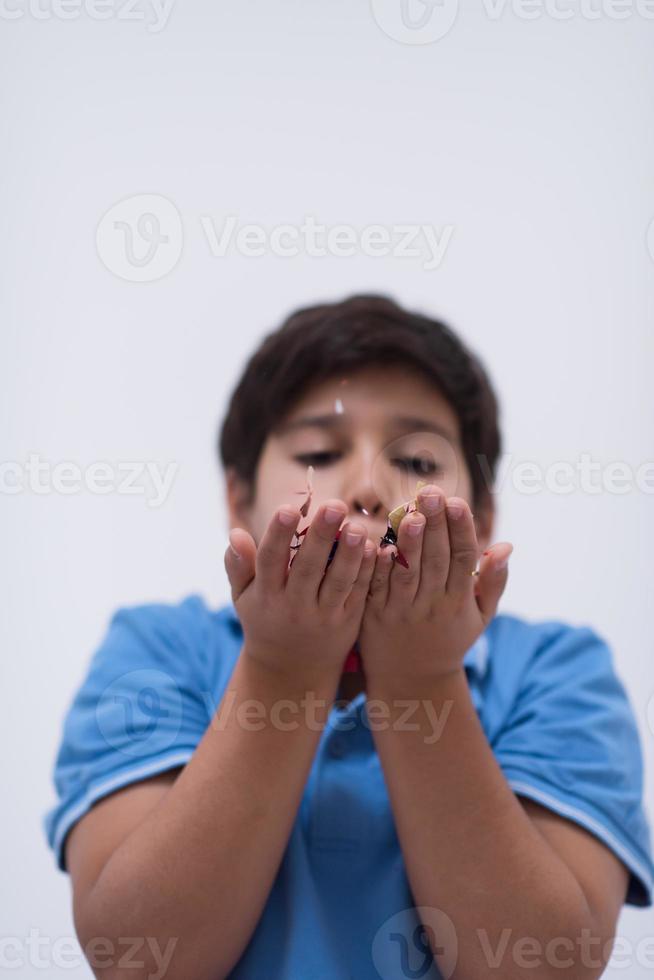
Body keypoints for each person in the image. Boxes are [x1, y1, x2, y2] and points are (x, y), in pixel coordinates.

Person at [43, 294, 654, 980]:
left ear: (480, 513)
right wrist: (282, 667)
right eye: (319, 452)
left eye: (419, 462)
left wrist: (422, 678)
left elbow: (546, 967)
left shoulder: (558, 671)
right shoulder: (157, 651)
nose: (368, 485)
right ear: (237, 499)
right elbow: (137, 960)